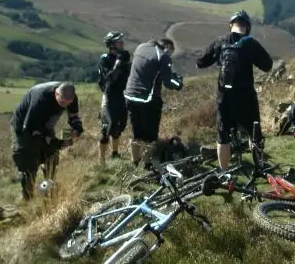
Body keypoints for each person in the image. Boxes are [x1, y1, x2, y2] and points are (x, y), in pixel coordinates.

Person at [196, 10, 273, 170]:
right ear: (247, 27)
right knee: (254, 131)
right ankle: (259, 166)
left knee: (223, 136)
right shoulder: (251, 43)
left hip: (224, 97)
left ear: (231, 25)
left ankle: (224, 173)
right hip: (246, 96)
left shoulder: (219, 42)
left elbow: (200, 62)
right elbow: (268, 65)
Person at [10, 81, 83, 201]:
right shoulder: (41, 99)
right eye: (61, 103)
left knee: (52, 158)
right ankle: (28, 199)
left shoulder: (71, 97)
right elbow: (30, 128)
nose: (64, 106)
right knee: (29, 164)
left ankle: (45, 190)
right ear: (56, 94)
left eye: (67, 104)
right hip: (24, 128)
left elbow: (73, 116)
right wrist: (54, 142)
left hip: (45, 126)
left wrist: (77, 129)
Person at [123, 38, 183, 167]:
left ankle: (134, 162)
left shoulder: (141, 47)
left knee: (136, 132)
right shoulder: (162, 56)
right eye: (171, 51)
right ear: (167, 47)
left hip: (130, 96)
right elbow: (169, 82)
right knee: (150, 136)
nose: (170, 55)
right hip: (148, 99)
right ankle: (147, 165)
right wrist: (179, 83)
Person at [97, 31, 131, 165]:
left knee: (119, 126)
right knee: (107, 128)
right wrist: (118, 64)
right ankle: (101, 160)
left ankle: (115, 154)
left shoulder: (124, 56)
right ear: (111, 45)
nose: (122, 43)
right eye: (119, 41)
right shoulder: (105, 59)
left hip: (122, 96)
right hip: (109, 96)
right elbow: (109, 79)